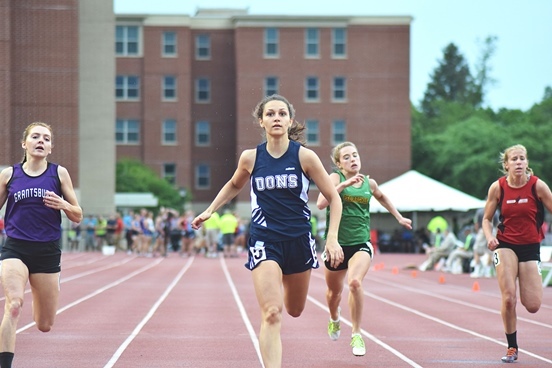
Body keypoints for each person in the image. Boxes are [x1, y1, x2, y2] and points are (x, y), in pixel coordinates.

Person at [191, 94, 343, 368]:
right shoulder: (251, 157)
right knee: (272, 313)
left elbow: (334, 198)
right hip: (265, 241)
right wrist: (210, 210)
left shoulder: (304, 157)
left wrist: (331, 239)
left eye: (282, 114)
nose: (276, 118)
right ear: (261, 121)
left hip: (298, 241)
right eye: (270, 114)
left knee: (294, 310)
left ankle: (286, 283)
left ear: (290, 120)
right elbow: (234, 184)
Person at [316, 141, 411, 356]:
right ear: (339, 164)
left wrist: (398, 216)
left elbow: (382, 197)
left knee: (355, 282)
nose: (352, 159)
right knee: (333, 294)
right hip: (336, 245)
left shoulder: (370, 183)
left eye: (355, 155)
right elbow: (321, 203)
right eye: (347, 157)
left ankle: (357, 334)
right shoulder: (335, 179)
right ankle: (334, 318)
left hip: (360, 243)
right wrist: (342, 185)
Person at [0, 122, 83, 368]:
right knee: (14, 305)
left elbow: (78, 215)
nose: (41, 141)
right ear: (24, 143)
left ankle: (43, 292)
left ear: (50, 148)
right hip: (15, 248)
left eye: (46, 139)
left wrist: (64, 205)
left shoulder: (59, 174)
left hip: (47, 251)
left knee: (44, 324)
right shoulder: (9, 175)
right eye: (35, 137)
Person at [481, 144, 552, 363]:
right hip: (505, 244)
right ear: (506, 165)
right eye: (514, 159)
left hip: (530, 245)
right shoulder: (498, 188)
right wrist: (489, 237)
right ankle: (512, 347)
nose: (519, 162)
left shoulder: (537, 186)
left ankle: (526, 284)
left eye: (522, 158)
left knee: (532, 305)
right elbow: (486, 219)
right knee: (509, 297)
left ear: (527, 163)